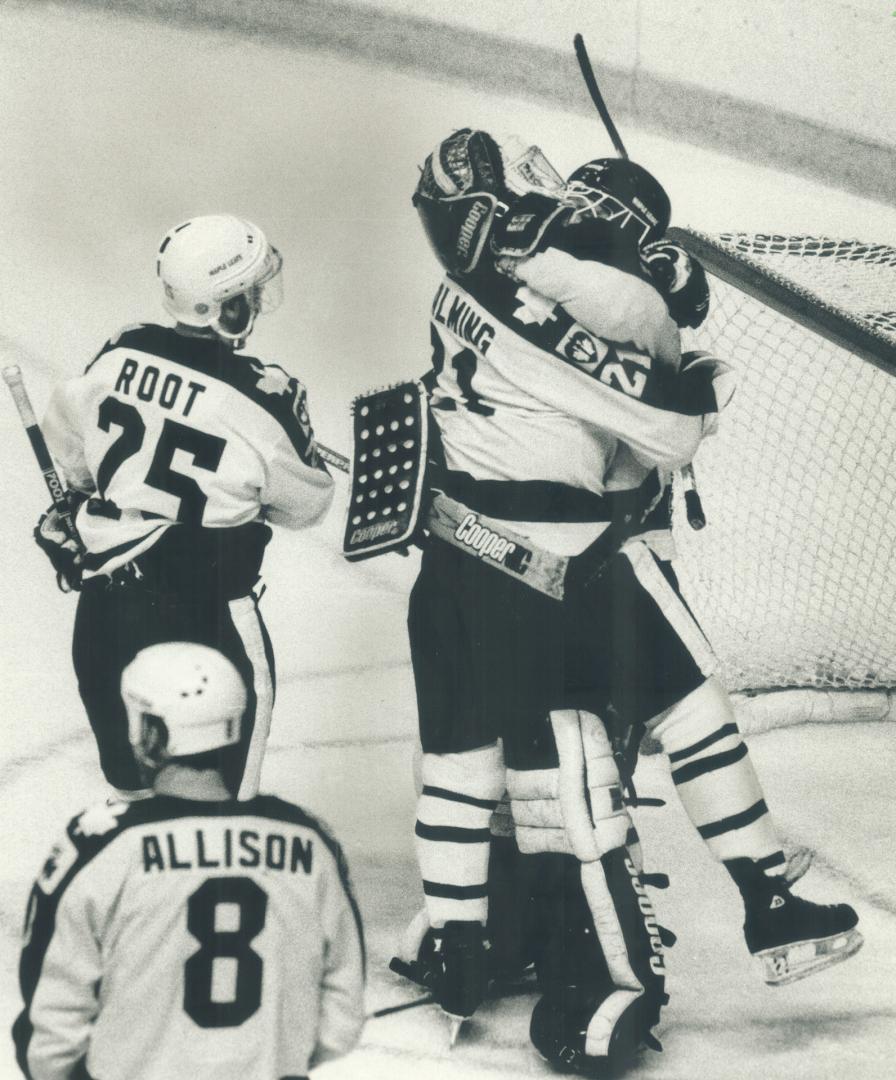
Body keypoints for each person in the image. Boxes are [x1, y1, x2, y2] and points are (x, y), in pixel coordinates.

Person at [395, 129, 861, 1074]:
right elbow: (670, 429)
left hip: (467, 550)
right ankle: (633, 939)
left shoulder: (471, 282)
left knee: (477, 749)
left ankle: (462, 931)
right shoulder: (584, 297)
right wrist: (673, 324)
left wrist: (644, 289)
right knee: (600, 757)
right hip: (561, 558)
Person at [33, 215, 334, 799]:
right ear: (225, 307)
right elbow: (306, 506)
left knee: (136, 805)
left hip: (106, 615)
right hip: (209, 621)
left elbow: (70, 456)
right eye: (247, 292)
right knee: (220, 811)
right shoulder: (262, 395)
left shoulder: (121, 351)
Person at [13, 642, 365, 1080]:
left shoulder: (99, 847)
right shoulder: (309, 842)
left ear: (154, 735)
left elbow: (49, 1034)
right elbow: (341, 1021)